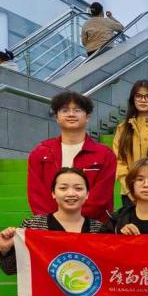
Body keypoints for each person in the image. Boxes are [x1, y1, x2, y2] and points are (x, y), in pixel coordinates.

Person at [27, 91, 115, 222]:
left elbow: (101, 197)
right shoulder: (40, 153)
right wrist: (55, 222)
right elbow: (36, 195)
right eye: (65, 110)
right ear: (57, 117)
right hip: (50, 227)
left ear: (87, 117)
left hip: (93, 227)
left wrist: (76, 221)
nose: (71, 114)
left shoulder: (105, 155)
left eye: (77, 110)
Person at [0, 168, 106, 274]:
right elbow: (10, 269)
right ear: (53, 193)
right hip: (43, 287)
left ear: (87, 194)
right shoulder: (32, 226)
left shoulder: (100, 229)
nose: (71, 193)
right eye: (63, 188)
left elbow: (106, 268)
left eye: (78, 188)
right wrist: (4, 249)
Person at [113, 80, 148, 204]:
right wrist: (129, 190)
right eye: (138, 96)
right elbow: (119, 161)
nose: (143, 100)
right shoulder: (122, 128)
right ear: (133, 99)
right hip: (129, 192)